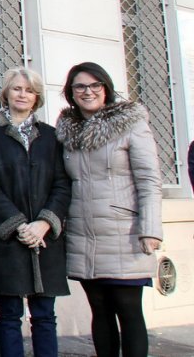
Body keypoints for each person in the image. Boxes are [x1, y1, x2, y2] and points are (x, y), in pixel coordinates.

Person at [55, 62, 162, 357]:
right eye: (80, 87)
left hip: (124, 233)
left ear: (106, 88)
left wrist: (150, 229)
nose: (87, 92)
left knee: (128, 309)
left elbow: (150, 181)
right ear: (71, 93)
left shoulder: (131, 124)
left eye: (94, 86)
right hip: (84, 233)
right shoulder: (67, 132)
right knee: (99, 309)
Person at [0, 67, 70, 357]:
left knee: (44, 314)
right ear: (6, 93)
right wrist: (18, 225)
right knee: (10, 314)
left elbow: (62, 184)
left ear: (36, 96)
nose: (22, 94)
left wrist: (44, 223)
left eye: (28, 90)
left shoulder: (50, 136)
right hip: (7, 239)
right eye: (16, 88)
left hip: (44, 240)